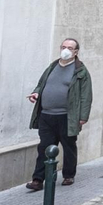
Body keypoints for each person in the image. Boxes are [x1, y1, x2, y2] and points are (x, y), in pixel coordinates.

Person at [26, 38, 92, 190]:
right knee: (44, 147)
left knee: (68, 146)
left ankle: (68, 175)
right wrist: (36, 93)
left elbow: (86, 95)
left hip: (67, 116)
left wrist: (83, 116)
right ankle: (38, 179)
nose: (66, 50)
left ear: (76, 52)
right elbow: (41, 85)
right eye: (63, 47)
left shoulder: (80, 70)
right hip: (46, 115)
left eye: (70, 48)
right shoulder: (52, 66)